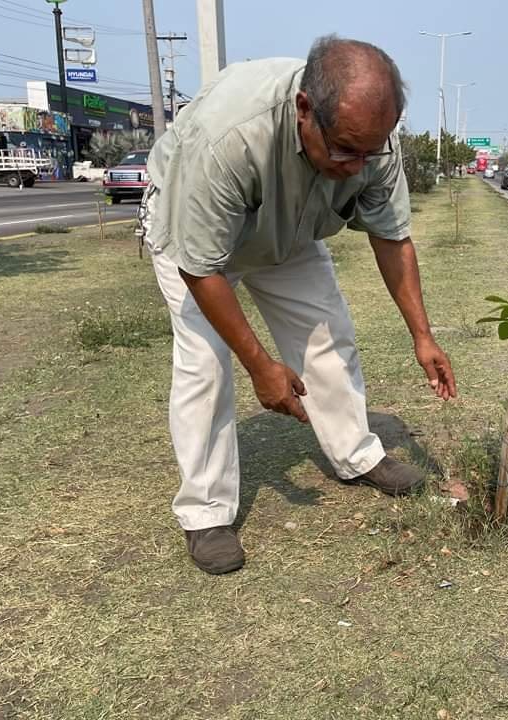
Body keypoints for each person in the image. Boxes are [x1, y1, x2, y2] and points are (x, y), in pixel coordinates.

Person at [140, 35, 457, 575]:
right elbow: (201, 266)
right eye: (344, 150)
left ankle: (356, 456)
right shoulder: (228, 136)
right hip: (196, 239)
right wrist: (262, 367)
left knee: (328, 336)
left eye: (369, 151)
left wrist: (422, 335)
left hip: (287, 231)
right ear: (303, 110)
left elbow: (391, 236)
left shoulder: (371, 137)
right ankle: (206, 513)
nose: (357, 166)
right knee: (205, 364)